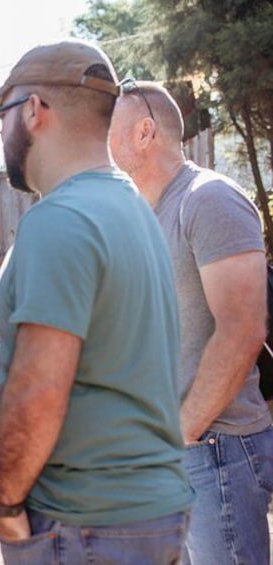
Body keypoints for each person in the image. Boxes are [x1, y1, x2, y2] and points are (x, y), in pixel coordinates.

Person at [0, 40, 194, 564]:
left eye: (1, 116)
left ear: (32, 110)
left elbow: (40, 391)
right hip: (147, 512)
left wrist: (4, 503)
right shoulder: (132, 208)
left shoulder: (60, 220)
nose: (1, 133)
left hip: (82, 522)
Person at [109, 81, 273, 565]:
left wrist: (185, 428)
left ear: (144, 131)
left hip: (215, 449)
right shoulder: (143, 216)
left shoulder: (208, 199)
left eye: (108, 125)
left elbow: (243, 329)